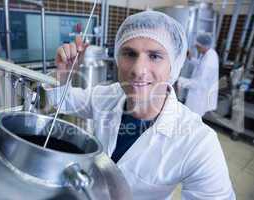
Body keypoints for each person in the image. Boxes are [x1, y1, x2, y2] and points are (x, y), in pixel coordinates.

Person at [44, 11, 235, 200]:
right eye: (129, 53)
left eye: (154, 56)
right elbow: (62, 100)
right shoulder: (108, 95)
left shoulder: (199, 142)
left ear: (173, 65)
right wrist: (62, 74)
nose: (138, 70)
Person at [178, 33, 219, 117]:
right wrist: (191, 58)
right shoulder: (210, 53)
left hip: (198, 98)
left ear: (203, 46)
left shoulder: (209, 62)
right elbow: (200, 65)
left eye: (197, 47)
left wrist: (181, 81)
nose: (196, 49)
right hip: (199, 94)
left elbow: (199, 83)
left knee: (190, 118)